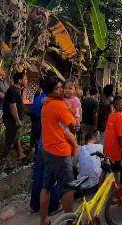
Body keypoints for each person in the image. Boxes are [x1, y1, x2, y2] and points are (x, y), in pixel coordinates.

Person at [39, 77, 78, 225]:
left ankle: (43, 220)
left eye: (62, 87)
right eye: (58, 88)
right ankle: (70, 219)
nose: (62, 90)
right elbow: (73, 125)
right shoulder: (59, 105)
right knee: (68, 187)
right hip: (60, 151)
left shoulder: (46, 103)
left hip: (47, 149)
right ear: (51, 91)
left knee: (46, 186)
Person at [29, 76, 60, 215]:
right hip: (51, 142)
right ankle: (53, 206)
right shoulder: (54, 103)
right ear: (53, 89)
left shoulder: (37, 100)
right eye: (58, 88)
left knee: (39, 173)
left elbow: (33, 115)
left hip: (40, 139)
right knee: (52, 176)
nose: (61, 90)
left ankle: (34, 205)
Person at [3, 71, 27, 161]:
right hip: (11, 119)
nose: (27, 81)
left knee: (16, 137)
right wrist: (17, 120)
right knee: (10, 139)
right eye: (25, 79)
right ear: (20, 80)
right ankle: (4, 160)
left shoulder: (17, 90)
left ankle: (20, 154)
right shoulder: (13, 91)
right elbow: (12, 106)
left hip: (14, 119)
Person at [104, 96, 122, 182]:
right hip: (115, 149)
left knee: (111, 170)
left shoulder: (111, 116)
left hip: (108, 149)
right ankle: (117, 192)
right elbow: (120, 136)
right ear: (117, 105)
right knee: (117, 170)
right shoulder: (119, 116)